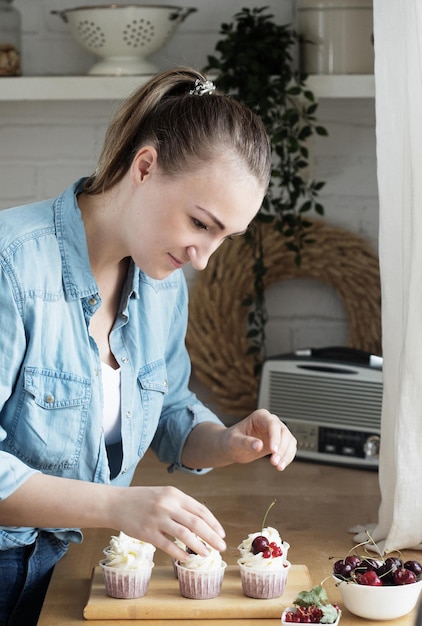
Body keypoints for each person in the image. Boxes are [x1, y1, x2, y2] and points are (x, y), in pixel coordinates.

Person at [0, 67, 297, 625]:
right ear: (144, 166)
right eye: (199, 223)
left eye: (224, 239)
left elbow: (170, 417)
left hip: (82, 567)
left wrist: (228, 440)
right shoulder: (11, 264)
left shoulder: (162, 285)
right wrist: (117, 505)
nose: (203, 257)